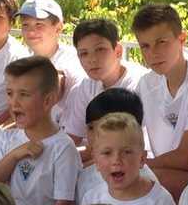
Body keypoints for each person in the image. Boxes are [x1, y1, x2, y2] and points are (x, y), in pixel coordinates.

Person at [135, 3, 188, 198]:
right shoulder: (146, 83)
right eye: (145, 46)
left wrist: (135, 164)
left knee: (133, 179)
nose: (153, 53)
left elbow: (186, 158)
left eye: (161, 42)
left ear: (181, 39)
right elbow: (129, 133)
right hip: (167, 169)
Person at [0, 55, 77, 205]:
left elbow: (64, 204)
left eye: (24, 94)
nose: (14, 102)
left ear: (48, 100)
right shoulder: (6, 138)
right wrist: (14, 156)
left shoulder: (63, 147)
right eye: (10, 93)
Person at [78, 112, 178, 205]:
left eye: (126, 152)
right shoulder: (91, 199)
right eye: (107, 153)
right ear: (96, 161)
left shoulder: (160, 202)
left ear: (142, 159)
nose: (116, 160)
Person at [60, 18, 148, 148]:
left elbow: (128, 147)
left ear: (118, 51)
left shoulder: (140, 84)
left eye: (100, 50)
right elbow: (72, 137)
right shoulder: (86, 85)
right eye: (84, 53)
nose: (92, 59)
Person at [18, 0, 87, 124]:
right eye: (26, 25)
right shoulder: (28, 62)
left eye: (39, 25)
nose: (31, 32)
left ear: (58, 28)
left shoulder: (70, 61)